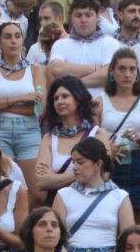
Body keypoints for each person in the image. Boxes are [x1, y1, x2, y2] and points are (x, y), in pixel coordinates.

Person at [51, 136, 133, 252]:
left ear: (98, 164)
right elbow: (55, 238)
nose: (75, 167)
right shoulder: (63, 194)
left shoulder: (119, 196)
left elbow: (128, 239)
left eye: (80, 162)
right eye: (73, 162)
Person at [96, 47, 140, 227]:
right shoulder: (100, 101)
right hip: (112, 165)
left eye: (132, 69)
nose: (127, 74)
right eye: (122, 69)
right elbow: (91, 141)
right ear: (112, 71)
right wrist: (108, 150)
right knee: (111, 223)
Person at [0, 21, 46, 185]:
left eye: (17, 36)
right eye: (7, 37)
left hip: (29, 130)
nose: (13, 41)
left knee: (36, 189)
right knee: (3, 185)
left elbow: (39, 108)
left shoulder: (35, 69)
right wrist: (21, 98)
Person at [33, 75, 110, 204]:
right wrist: (87, 172)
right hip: (58, 204)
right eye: (56, 98)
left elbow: (104, 173)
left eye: (65, 96)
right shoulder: (49, 138)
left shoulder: (98, 134)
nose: (59, 101)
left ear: (78, 99)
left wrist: (54, 178)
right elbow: (41, 182)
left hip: (90, 201)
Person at [45, 0, 120, 98]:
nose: (83, 20)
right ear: (71, 18)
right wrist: (96, 68)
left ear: (97, 17)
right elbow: (56, 68)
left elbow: (110, 74)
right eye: (78, 15)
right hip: (69, 106)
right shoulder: (61, 44)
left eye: (88, 15)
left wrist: (74, 85)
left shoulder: (110, 43)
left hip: (101, 104)